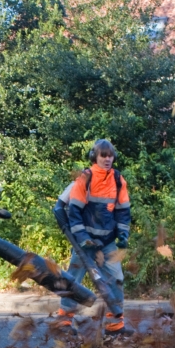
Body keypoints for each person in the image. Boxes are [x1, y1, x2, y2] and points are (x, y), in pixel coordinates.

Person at [53, 139, 131, 334]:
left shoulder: (118, 180)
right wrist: (82, 239)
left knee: (116, 278)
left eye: (110, 155)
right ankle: (63, 322)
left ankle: (115, 325)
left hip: (106, 243)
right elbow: (74, 212)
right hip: (84, 242)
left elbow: (123, 211)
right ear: (94, 157)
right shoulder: (84, 179)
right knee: (73, 279)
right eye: (103, 155)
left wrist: (123, 234)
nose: (107, 159)